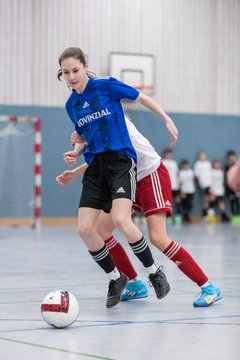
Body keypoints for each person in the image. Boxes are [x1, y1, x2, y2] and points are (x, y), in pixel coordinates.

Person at [57, 116, 222, 307]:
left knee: (158, 238)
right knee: (101, 229)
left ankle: (208, 287)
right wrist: (77, 163)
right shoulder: (96, 120)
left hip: (150, 175)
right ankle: (135, 283)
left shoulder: (112, 116)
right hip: (128, 178)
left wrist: (82, 142)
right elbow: (103, 155)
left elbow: (111, 148)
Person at [57, 47, 177, 308]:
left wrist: (166, 118)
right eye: (66, 73)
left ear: (85, 66)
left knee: (122, 219)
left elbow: (142, 97)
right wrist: (76, 152)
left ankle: (154, 272)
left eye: (75, 70)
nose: (71, 76)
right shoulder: (72, 105)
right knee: (85, 228)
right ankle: (115, 277)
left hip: (121, 160)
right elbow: (86, 136)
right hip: (96, 166)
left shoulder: (106, 86)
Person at [162, 148, 181, 223]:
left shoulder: (174, 163)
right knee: (166, 202)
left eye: (169, 154)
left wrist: (179, 185)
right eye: (167, 154)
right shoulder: (162, 161)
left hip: (175, 185)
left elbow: (176, 174)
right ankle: (167, 217)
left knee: (177, 201)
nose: (168, 155)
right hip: (166, 186)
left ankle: (178, 217)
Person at [193, 151, 212, 220]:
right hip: (203, 183)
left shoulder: (208, 163)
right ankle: (206, 214)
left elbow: (210, 173)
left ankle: (206, 214)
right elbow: (196, 175)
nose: (202, 156)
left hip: (210, 183)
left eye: (203, 155)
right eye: (201, 155)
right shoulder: (197, 164)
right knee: (209, 198)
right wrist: (201, 181)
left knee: (207, 199)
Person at [224, 150, 240, 216]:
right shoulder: (227, 167)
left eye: (233, 158)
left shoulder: (237, 167)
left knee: (237, 201)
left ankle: (238, 215)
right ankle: (234, 215)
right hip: (231, 188)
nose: (232, 160)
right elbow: (227, 179)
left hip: (238, 187)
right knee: (233, 202)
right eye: (230, 159)